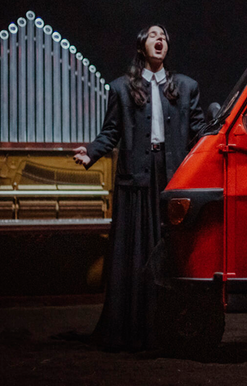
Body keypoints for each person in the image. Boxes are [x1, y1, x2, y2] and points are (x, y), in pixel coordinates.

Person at [73, 25, 207, 350]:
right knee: (135, 252)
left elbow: (200, 129)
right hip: (135, 177)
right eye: (153, 35)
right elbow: (111, 132)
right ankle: (132, 329)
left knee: (169, 251)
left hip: (171, 176)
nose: (160, 40)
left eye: (164, 36)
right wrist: (91, 152)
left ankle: (167, 328)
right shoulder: (121, 88)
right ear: (141, 46)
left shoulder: (186, 87)